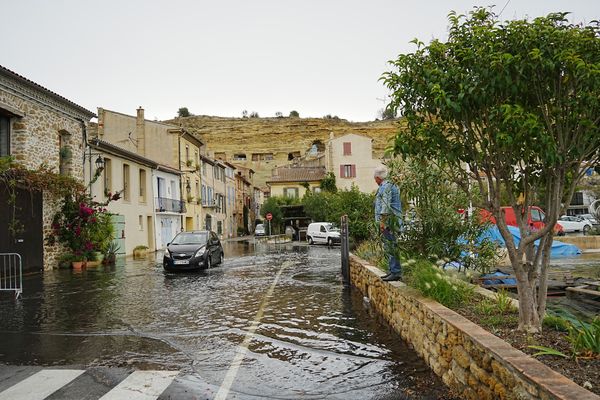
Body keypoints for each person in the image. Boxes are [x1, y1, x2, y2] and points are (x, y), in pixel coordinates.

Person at [374, 165, 402, 281]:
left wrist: (382, 222)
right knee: (389, 246)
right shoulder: (388, 185)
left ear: (377, 177)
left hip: (390, 222)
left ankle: (395, 272)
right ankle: (392, 271)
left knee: (391, 246)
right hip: (390, 221)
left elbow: (385, 206)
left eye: (375, 178)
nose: (375, 180)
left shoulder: (386, 186)